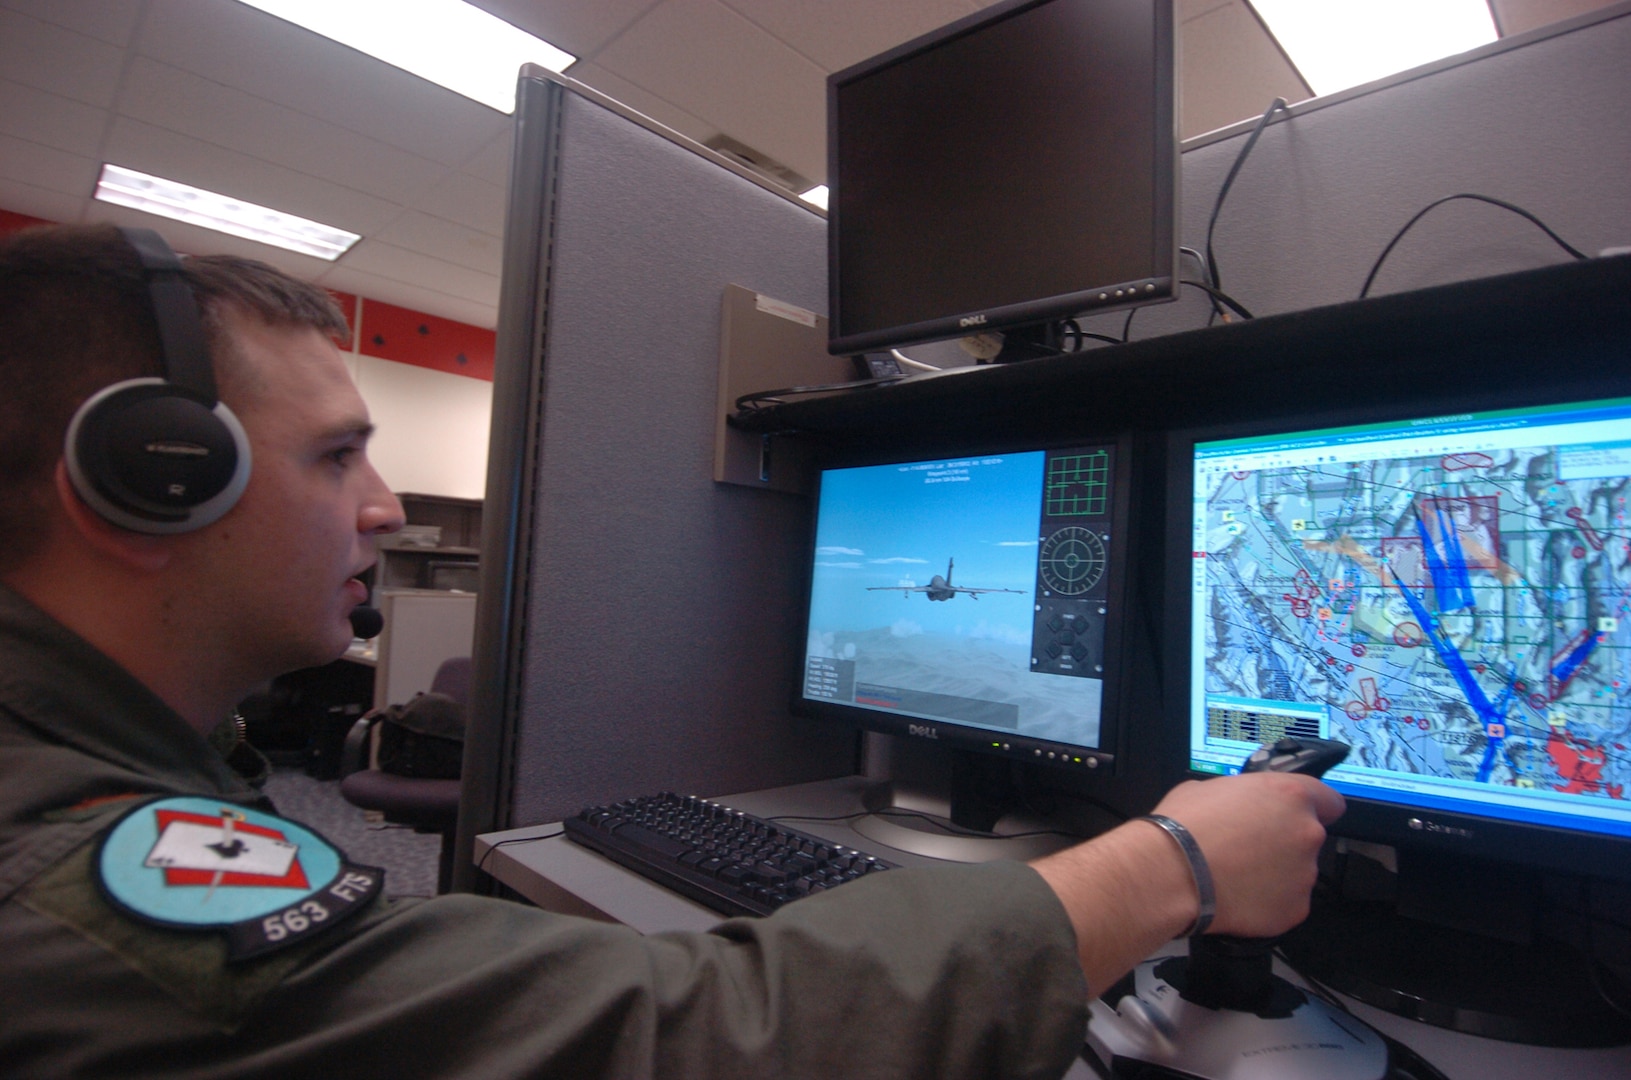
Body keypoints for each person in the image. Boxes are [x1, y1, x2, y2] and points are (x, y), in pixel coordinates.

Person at [0, 223, 1344, 1078]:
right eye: (335, 453)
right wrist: (1172, 861)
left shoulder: (105, 769)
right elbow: (699, 1036)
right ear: (150, 484)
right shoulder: (75, 888)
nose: (388, 506)